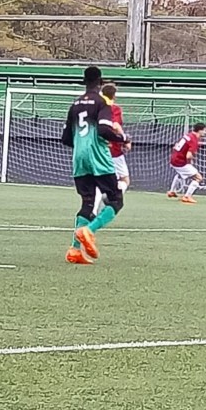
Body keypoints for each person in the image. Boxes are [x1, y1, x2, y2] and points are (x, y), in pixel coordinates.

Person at [62, 66, 131, 265]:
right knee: (116, 200)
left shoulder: (75, 104)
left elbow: (66, 138)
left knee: (88, 202)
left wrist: (82, 145)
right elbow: (103, 130)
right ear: (100, 82)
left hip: (79, 158)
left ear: (84, 82)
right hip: (98, 157)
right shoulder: (102, 103)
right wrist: (123, 138)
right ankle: (89, 230)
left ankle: (75, 250)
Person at [93, 83, 131, 214]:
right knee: (124, 179)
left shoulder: (95, 107)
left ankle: (94, 209)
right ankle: (111, 198)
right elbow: (115, 125)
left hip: (97, 149)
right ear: (114, 95)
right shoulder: (113, 108)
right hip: (113, 150)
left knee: (99, 180)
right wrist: (125, 139)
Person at [167, 123, 206, 204]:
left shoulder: (188, 136)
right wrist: (191, 159)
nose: (205, 132)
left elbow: (176, 146)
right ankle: (187, 196)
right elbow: (188, 156)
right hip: (180, 162)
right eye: (204, 130)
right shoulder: (194, 140)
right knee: (198, 178)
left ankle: (172, 191)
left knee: (180, 174)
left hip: (174, 159)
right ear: (200, 131)